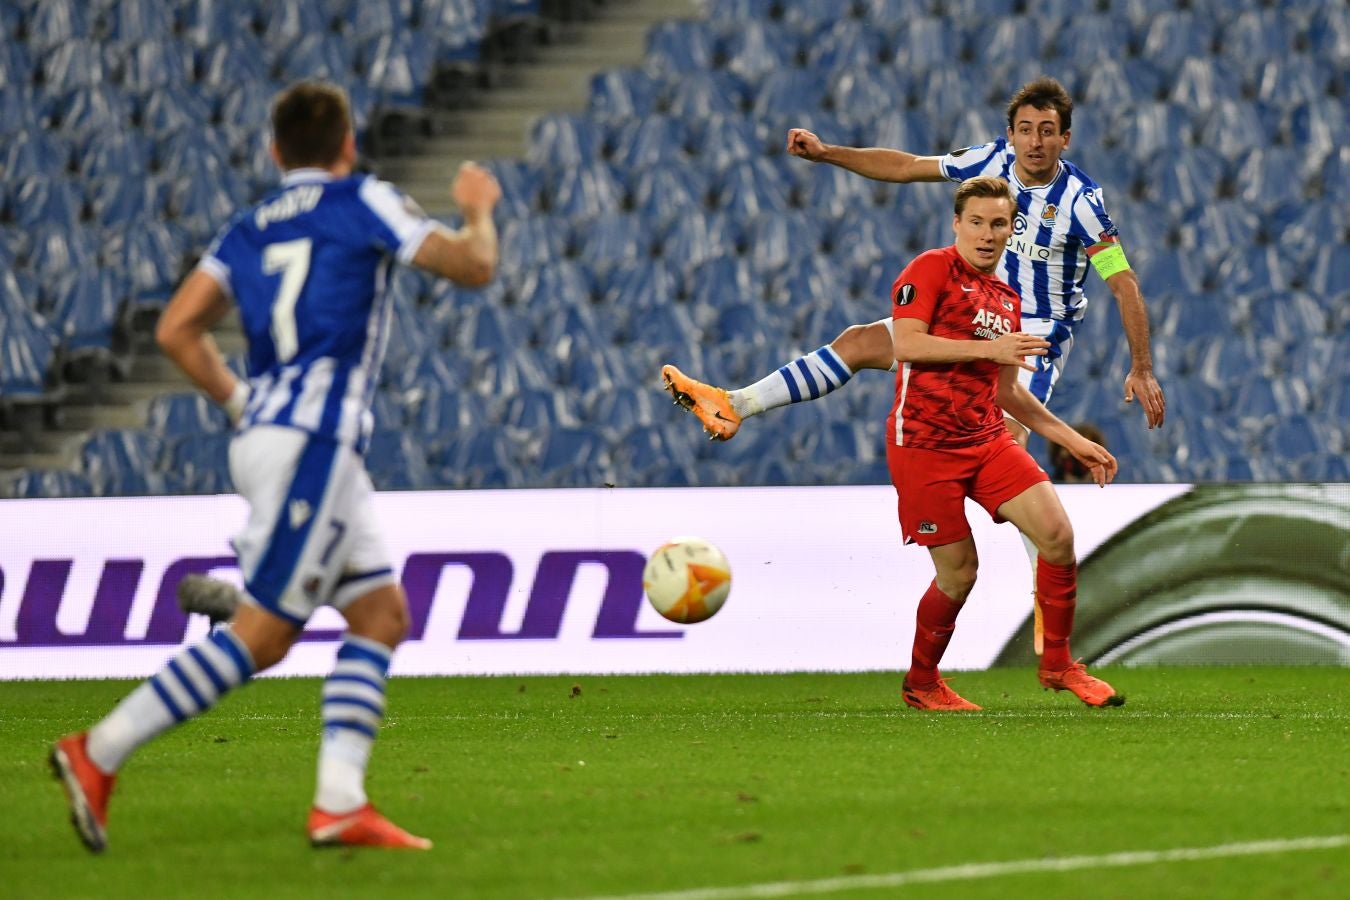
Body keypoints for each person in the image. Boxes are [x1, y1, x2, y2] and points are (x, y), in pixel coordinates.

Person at [50, 80, 501, 853]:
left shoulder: (248, 228)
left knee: (381, 615)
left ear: (274, 152)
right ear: (348, 145)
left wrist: (238, 401)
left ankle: (339, 801)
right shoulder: (365, 199)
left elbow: (176, 329)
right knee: (263, 636)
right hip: (314, 443)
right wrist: (478, 209)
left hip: (277, 437)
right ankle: (98, 752)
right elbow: (472, 267)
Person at [662, 76, 1165, 444]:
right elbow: (905, 166)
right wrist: (827, 153)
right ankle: (737, 404)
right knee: (857, 343)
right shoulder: (991, 161)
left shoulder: (1082, 202)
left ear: (1065, 139)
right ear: (1010, 134)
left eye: (1047, 130)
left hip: (1033, 331)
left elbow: (1123, 284)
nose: (1036, 141)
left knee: (1006, 452)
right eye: (1026, 129)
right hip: (973, 311)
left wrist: (1141, 367)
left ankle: (1045, 586)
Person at [883, 175, 1121, 711]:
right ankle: (921, 683)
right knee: (960, 572)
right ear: (956, 225)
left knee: (1057, 535)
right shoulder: (930, 268)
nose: (986, 234)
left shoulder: (1005, 298)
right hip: (924, 445)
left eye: (997, 224)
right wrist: (989, 352)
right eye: (976, 223)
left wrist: (1069, 438)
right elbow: (906, 344)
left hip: (986, 438)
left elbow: (1008, 391)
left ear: (1011, 231)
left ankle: (1058, 664)